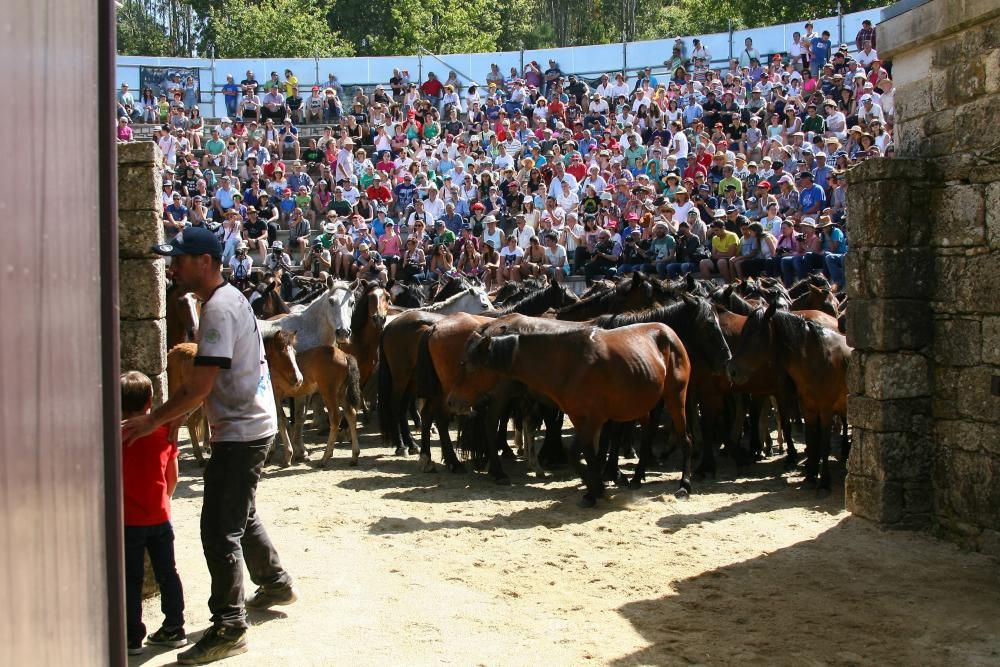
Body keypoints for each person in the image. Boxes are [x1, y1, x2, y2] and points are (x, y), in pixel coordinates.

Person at [124, 227, 296, 665]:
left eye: (179, 260)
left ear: (205, 261)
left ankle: (229, 626)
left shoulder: (218, 309)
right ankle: (274, 581)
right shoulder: (229, 298)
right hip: (253, 424)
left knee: (219, 529)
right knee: (241, 512)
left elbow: (198, 387)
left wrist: (150, 422)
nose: (173, 267)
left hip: (242, 432)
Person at [120, 370, 186, 657]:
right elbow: (173, 478)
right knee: (168, 573)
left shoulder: (115, 435)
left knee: (130, 579)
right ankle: (174, 627)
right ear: (150, 402)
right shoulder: (163, 433)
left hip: (127, 521)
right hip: (159, 517)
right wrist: (163, 500)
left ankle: (132, 636)